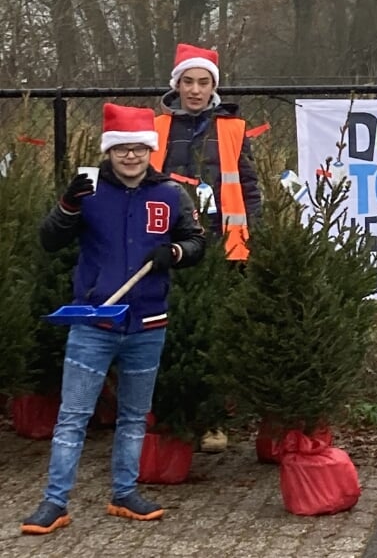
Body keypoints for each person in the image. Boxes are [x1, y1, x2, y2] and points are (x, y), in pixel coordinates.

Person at [21, 104, 205, 535]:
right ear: (109, 151)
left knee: (134, 415)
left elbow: (196, 243)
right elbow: (49, 240)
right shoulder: (87, 186)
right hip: (93, 323)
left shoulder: (172, 194)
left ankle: (124, 493)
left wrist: (174, 253)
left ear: (149, 151)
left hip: (148, 322)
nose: (130, 156)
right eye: (121, 148)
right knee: (73, 415)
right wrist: (67, 205)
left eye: (138, 148)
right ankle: (54, 502)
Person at [153, 42, 262, 453]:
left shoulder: (233, 129)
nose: (195, 90)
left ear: (214, 87)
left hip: (222, 245)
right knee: (171, 330)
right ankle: (172, 416)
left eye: (203, 82)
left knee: (217, 334)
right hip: (172, 246)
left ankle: (214, 421)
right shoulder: (158, 128)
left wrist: (255, 236)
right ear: (176, 85)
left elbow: (248, 188)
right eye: (188, 81)